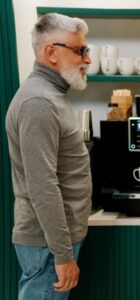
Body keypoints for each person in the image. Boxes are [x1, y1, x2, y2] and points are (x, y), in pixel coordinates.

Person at [5, 13, 92, 300]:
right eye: (80, 51)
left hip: (52, 243)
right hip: (48, 246)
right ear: (51, 52)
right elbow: (42, 186)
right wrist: (63, 254)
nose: (87, 59)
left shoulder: (52, 95)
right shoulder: (39, 102)